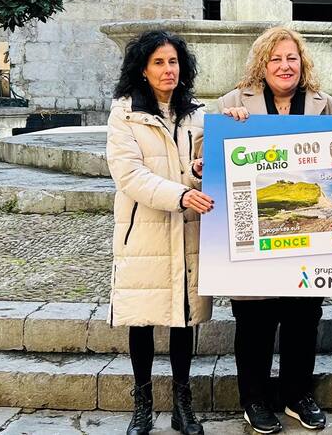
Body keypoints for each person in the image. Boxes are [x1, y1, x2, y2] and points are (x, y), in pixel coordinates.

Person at [216, 27, 332, 433]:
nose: (285, 66)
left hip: (308, 233)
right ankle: (255, 399)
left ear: (303, 64)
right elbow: (204, 156)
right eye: (276, 59)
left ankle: (297, 395)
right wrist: (224, 129)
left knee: (304, 318)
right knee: (255, 321)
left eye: (292, 59)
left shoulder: (326, 105)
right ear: (262, 65)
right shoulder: (234, 103)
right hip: (257, 233)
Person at [107, 30, 214, 435]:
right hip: (145, 232)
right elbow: (129, 174)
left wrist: (202, 173)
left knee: (185, 319)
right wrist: (181, 194)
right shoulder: (125, 114)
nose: (168, 70)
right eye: (159, 63)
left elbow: (203, 165)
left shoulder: (197, 113)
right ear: (143, 69)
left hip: (187, 232)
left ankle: (182, 405)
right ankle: (143, 405)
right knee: (142, 320)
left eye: (173, 62)